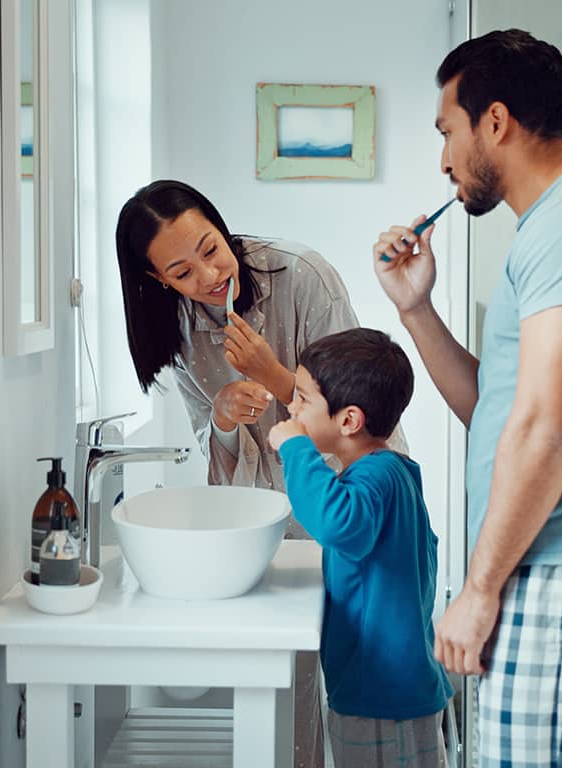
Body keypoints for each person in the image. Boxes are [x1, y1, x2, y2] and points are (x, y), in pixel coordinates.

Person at [371, 29, 562, 768]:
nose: (443, 160)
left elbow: (545, 430)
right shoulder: (554, 227)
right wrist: (416, 310)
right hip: (546, 564)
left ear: (494, 122)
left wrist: (478, 588)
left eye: (447, 131)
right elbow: (497, 413)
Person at [116, 179, 386, 768]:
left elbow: (360, 416)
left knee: (363, 693)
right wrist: (221, 418)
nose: (208, 277)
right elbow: (211, 454)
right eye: (182, 273)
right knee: (287, 694)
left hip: (346, 506)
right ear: (159, 280)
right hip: (267, 527)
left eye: (211, 249)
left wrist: (277, 376)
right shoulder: (179, 323)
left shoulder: (304, 276)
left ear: (220, 223)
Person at [268, 328, 454, 768]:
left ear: (348, 420)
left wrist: (295, 446)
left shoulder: (377, 477)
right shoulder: (389, 472)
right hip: (388, 689)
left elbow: (337, 524)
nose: (292, 408)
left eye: (303, 399)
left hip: (383, 696)